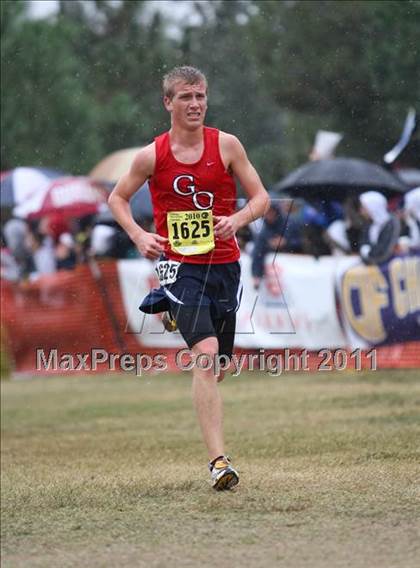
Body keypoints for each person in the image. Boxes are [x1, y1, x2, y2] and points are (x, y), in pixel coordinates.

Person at [108, 66, 269, 490]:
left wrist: (237, 219)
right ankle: (219, 461)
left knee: (218, 365)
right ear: (168, 103)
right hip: (178, 266)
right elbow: (117, 198)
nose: (194, 104)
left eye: (200, 96)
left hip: (225, 265)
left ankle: (174, 314)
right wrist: (140, 234)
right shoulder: (151, 155)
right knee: (205, 353)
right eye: (185, 97)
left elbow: (262, 198)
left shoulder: (227, 145)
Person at [358, 191, 400, 265]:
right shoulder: (369, 224)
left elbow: (384, 251)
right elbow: (362, 245)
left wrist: (369, 254)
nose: (361, 211)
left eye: (364, 208)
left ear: (373, 207)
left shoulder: (391, 224)